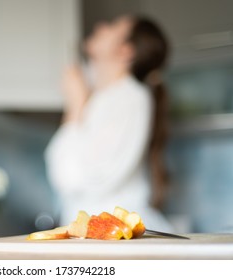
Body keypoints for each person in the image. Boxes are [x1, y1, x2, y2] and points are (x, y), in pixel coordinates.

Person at [45, 15, 173, 231]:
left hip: (113, 234)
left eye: (112, 26)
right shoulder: (105, 99)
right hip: (102, 233)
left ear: (126, 51)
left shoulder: (129, 99)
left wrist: (76, 105)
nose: (100, 25)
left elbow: (71, 178)